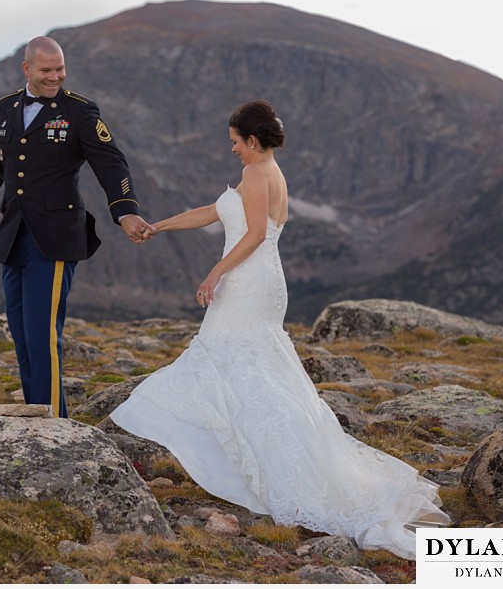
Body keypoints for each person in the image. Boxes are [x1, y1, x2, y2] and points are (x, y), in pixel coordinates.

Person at [110, 100, 449, 560]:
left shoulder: (257, 174)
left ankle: (275, 467)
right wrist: (160, 226)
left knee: (234, 365)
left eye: (235, 142)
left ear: (252, 140)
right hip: (261, 280)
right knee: (257, 372)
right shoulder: (271, 171)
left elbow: (250, 235)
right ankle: (265, 454)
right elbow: (215, 211)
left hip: (248, 280)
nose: (232, 150)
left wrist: (214, 273)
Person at [0, 36, 153, 418]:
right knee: (21, 334)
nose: (55, 77)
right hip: (14, 235)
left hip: (55, 237)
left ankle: (51, 425)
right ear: (27, 69)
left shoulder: (80, 111)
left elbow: (112, 163)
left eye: (60, 69)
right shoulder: (3, 109)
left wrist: (125, 210)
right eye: (46, 70)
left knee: (42, 335)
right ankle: (37, 416)